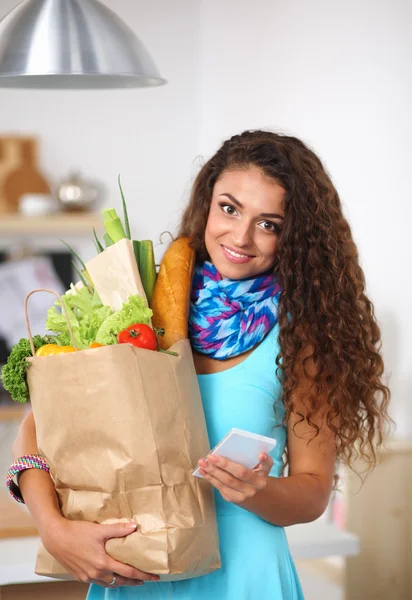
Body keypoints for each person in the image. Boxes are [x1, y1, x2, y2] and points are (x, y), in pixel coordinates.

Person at [10, 130, 390, 599]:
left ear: (294, 236)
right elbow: (38, 430)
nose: (241, 237)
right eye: (229, 209)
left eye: (269, 223)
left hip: (245, 576)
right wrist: (53, 530)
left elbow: (312, 492)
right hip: (136, 570)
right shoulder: (137, 302)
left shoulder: (304, 335)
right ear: (207, 203)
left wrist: (257, 490)